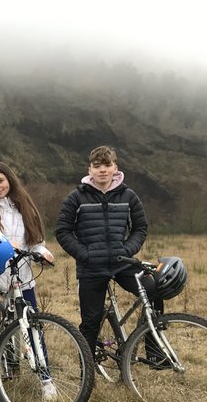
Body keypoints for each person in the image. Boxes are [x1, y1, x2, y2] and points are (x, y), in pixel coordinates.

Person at [55, 145, 162, 361]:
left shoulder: (128, 195)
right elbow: (62, 231)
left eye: (107, 165)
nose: (102, 170)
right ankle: (89, 368)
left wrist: (128, 249)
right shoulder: (76, 197)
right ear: (90, 169)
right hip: (91, 267)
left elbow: (140, 228)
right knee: (91, 321)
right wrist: (84, 254)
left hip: (122, 262)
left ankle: (155, 351)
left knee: (154, 289)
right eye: (97, 166)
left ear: (115, 168)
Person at [0, 161, 54, 388]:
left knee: (33, 324)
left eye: (0, 181)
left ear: (9, 180)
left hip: (21, 275)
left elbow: (35, 241)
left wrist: (43, 252)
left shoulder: (26, 206)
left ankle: (46, 380)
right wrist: (9, 243)